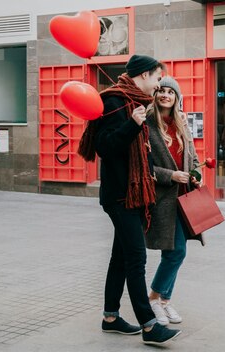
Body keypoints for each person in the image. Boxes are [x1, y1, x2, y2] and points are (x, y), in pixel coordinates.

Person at [77, 54, 181, 345]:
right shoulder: (114, 101)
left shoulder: (136, 102)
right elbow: (105, 147)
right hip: (120, 195)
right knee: (136, 258)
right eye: (157, 78)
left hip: (132, 193)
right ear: (144, 75)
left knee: (121, 257)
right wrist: (132, 125)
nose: (159, 85)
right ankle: (149, 325)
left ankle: (110, 317)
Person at [145, 76, 202, 325]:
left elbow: (194, 157)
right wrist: (170, 175)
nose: (165, 95)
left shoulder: (182, 125)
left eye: (171, 92)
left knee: (177, 252)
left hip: (184, 197)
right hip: (162, 199)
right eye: (162, 91)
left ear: (177, 97)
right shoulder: (147, 125)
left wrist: (196, 174)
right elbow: (142, 167)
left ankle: (163, 301)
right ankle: (154, 299)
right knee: (175, 252)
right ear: (155, 95)